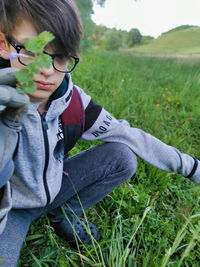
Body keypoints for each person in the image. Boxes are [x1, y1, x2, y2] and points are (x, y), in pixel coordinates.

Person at [0, 0, 199, 266]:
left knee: (122, 155)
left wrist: (193, 168)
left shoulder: (73, 103)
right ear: (4, 44)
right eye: (32, 51)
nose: (47, 70)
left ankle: (66, 212)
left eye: (59, 56)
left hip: (55, 189)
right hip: (13, 210)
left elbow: (130, 135)